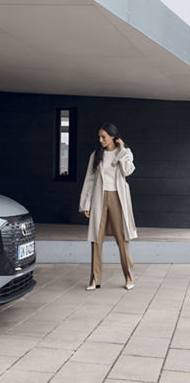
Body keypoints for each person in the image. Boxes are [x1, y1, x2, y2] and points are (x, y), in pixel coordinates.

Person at [79, 123, 137, 290]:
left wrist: (122, 150)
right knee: (96, 239)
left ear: (113, 137)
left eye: (104, 137)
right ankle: (94, 279)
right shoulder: (96, 155)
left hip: (118, 198)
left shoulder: (125, 153)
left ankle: (129, 277)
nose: (100, 140)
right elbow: (89, 180)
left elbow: (128, 171)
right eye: (99, 137)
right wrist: (86, 204)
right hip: (99, 197)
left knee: (123, 239)